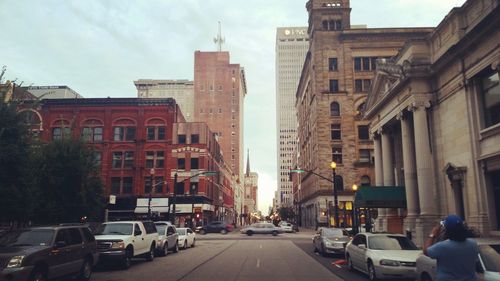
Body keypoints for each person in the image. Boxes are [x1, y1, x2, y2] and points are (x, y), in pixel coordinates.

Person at [423, 214, 479, 281]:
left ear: (447, 230)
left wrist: (433, 234)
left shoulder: (443, 247)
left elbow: (426, 251)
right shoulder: (473, 244)